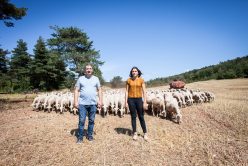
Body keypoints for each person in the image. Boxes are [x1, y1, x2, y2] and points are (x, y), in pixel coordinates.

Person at [74, 64, 102, 144]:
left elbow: (99, 90)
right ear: (84, 71)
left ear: (92, 70)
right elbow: (76, 90)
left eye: (90, 68)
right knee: (82, 120)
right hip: (82, 103)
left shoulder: (96, 79)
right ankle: (80, 138)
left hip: (93, 103)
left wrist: (100, 101)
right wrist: (75, 101)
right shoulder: (80, 79)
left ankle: (90, 136)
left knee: (91, 120)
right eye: (87, 69)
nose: (88, 70)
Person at [125, 66, 148, 141]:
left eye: (135, 71)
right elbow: (126, 91)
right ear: (131, 72)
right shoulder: (128, 80)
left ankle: (145, 133)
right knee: (133, 117)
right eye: (133, 71)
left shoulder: (141, 80)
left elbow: (144, 91)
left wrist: (145, 102)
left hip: (139, 99)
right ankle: (135, 133)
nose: (134, 72)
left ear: (138, 72)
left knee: (141, 116)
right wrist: (126, 102)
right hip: (131, 99)